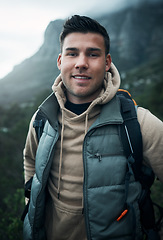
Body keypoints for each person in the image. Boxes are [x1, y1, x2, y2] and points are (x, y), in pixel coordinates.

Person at [23, 15, 163, 240]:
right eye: (72, 53)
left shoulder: (138, 122)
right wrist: (31, 206)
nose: (81, 62)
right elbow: (30, 162)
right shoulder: (42, 118)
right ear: (60, 61)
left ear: (107, 62)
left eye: (92, 53)